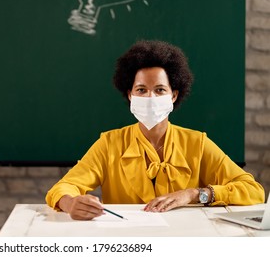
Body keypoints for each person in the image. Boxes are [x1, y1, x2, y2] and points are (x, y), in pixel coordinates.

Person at [45, 40, 265, 220]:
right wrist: (70, 202)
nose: (150, 97)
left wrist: (195, 194)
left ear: (174, 95)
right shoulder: (109, 144)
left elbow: (253, 190)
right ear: (130, 94)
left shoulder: (197, 143)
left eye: (160, 89)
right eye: (141, 90)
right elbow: (63, 187)